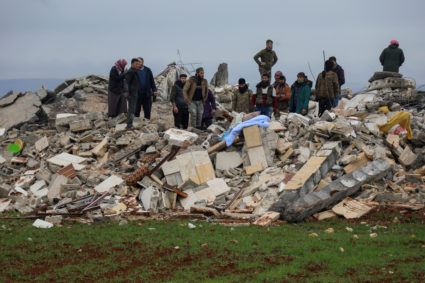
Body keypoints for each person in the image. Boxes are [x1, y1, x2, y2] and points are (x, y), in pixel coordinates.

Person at [124, 58, 141, 129]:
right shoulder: (131, 72)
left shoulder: (135, 71)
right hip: (131, 94)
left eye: (138, 64)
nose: (138, 65)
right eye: (136, 64)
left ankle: (130, 124)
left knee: (132, 109)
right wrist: (127, 91)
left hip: (134, 93)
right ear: (132, 64)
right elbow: (126, 82)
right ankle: (129, 125)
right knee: (131, 109)